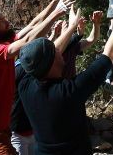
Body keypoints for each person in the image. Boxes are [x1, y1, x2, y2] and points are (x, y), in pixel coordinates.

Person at [17, 0, 113, 155]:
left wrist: (72, 26)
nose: (59, 49)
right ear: (51, 62)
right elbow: (111, 54)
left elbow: (46, 58)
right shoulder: (69, 91)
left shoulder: (25, 84)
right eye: (55, 50)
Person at [0, 0, 75, 155]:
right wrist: (58, 12)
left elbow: (34, 24)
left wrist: (55, 1)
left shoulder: (3, 43)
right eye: (2, 21)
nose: (7, 23)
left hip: (1, 129)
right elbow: (28, 41)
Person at [10, 11, 102, 154]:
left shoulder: (70, 46)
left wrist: (91, 25)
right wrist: (69, 27)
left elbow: (90, 40)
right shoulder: (33, 66)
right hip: (21, 127)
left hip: (60, 101)